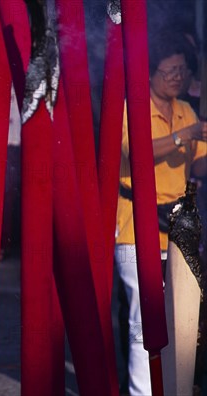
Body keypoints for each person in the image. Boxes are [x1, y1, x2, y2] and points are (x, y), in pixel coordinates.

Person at [115, 31, 207, 396]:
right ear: (150, 74)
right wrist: (188, 134)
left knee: (181, 322)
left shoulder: (185, 109)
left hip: (180, 230)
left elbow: (198, 167)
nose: (177, 78)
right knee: (143, 323)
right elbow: (137, 151)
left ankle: (173, 388)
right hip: (136, 227)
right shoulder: (131, 107)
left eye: (182, 71)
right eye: (170, 71)